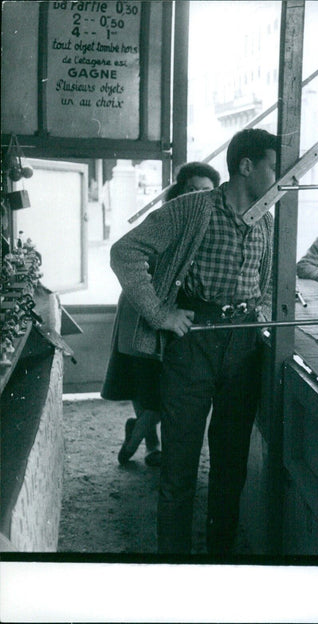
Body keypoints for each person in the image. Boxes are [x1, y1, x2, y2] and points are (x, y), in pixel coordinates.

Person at [109, 129, 278, 554]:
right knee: (179, 466)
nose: (281, 178)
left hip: (242, 347)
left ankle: (219, 562)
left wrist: (261, 310)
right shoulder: (193, 209)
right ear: (246, 166)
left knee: (230, 465)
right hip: (192, 345)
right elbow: (125, 252)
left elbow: (267, 282)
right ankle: (175, 568)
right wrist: (160, 314)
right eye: (275, 167)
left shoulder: (268, 222)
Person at [103, 162, 221, 468]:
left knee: (164, 386)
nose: (198, 197)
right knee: (144, 378)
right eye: (192, 190)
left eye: (206, 191)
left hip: (175, 314)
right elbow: (130, 257)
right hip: (144, 308)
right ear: (179, 192)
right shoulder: (168, 221)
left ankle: (140, 430)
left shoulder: (212, 227)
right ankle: (150, 440)